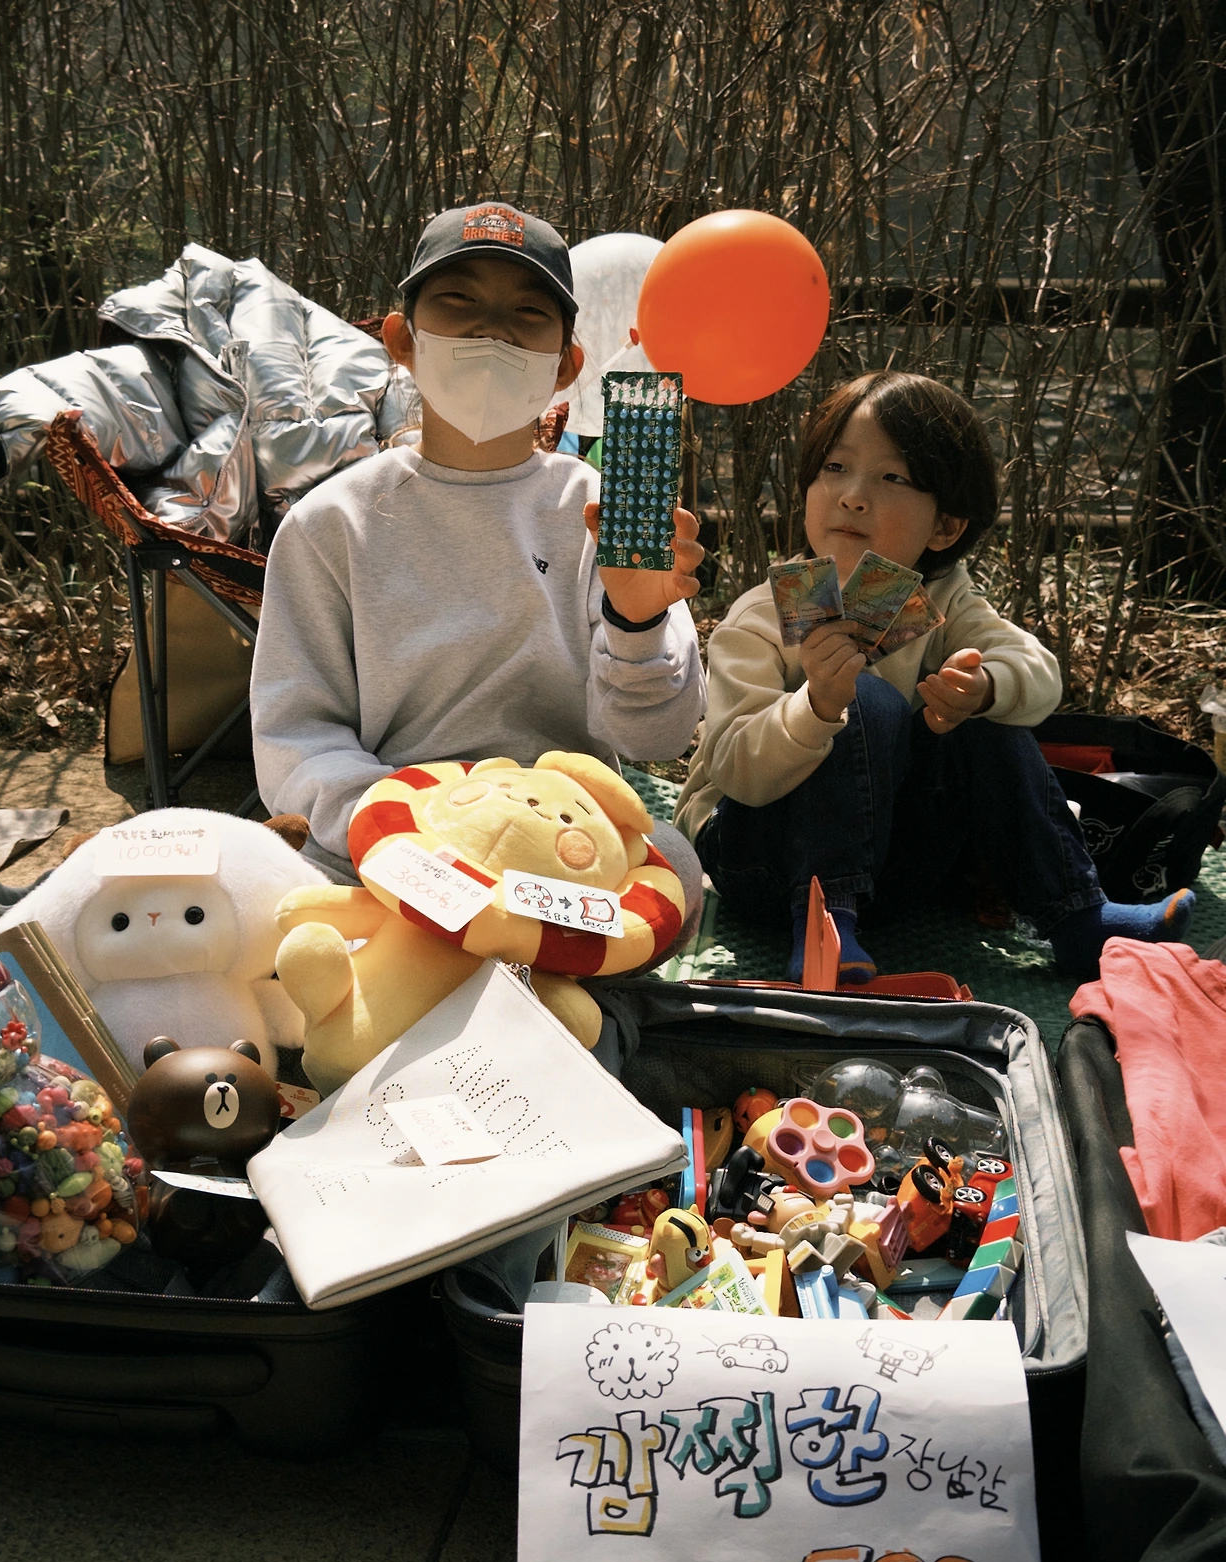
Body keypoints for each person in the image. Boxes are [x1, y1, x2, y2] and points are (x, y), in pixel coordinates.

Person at [250, 201, 706, 928]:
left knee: (675, 868)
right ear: (401, 339)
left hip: (559, 842)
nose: (492, 332)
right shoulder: (329, 525)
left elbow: (654, 739)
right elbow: (297, 738)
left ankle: (517, 976)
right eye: (458, 303)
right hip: (395, 847)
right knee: (262, 893)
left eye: (527, 314)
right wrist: (403, 827)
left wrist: (636, 622)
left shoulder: (602, 512)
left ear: (567, 366)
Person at [675, 370, 1195, 984]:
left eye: (892, 478)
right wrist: (814, 707)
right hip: (758, 865)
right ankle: (824, 930)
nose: (853, 496)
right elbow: (736, 773)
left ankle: (1077, 919)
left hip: (888, 869)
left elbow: (1037, 672)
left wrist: (984, 688)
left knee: (982, 715)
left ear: (945, 526)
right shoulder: (763, 615)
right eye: (835, 468)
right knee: (864, 696)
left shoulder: (943, 598)